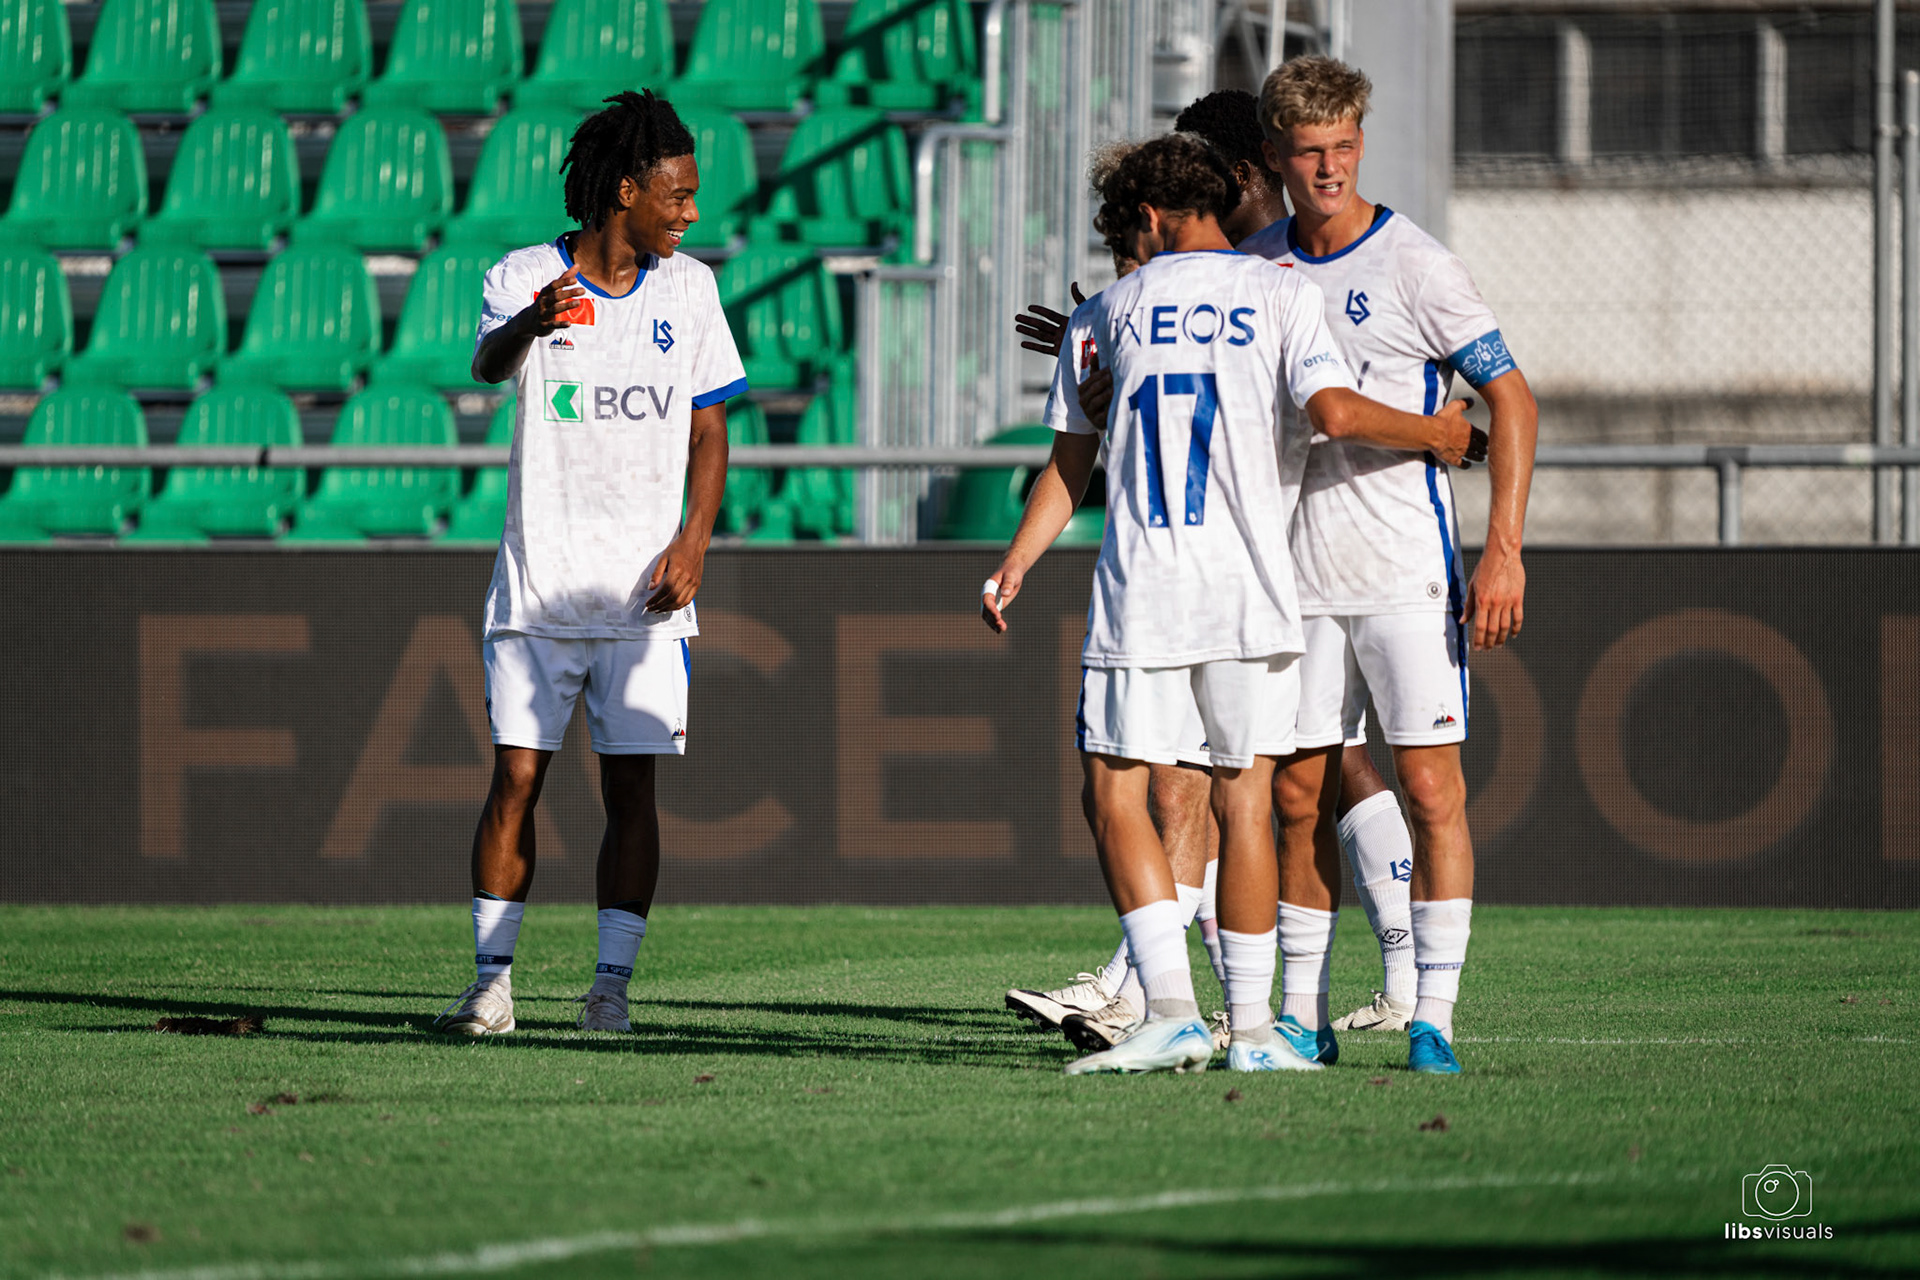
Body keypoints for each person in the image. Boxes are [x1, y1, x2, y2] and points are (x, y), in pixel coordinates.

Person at [984, 133, 1482, 1075]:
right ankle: (1254, 1033)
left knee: (1114, 791)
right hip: (1261, 589)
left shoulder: (1106, 317)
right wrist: (1439, 434)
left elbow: (1066, 467)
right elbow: (1334, 411)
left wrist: (1012, 568)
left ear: (1144, 218)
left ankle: (1170, 1010)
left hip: (1146, 587)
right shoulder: (1288, 292)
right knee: (1247, 800)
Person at [1240, 56, 1540, 1074]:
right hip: (1296, 579)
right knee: (1296, 796)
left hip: (1407, 572)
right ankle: (1302, 1016)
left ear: (1359, 143)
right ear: (1276, 156)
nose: (1327, 168)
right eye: (1306, 151)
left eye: (1341, 148)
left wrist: (1502, 550)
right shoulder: (1257, 265)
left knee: (1432, 788)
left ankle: (1433, 1019)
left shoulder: (1416, 263)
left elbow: (1512, 400)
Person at [432, 90, 749, 1037]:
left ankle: (610, 989)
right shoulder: (525, 274)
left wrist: (694, 541)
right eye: (678, 195)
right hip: (538, 590)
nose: (691, 212)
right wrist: (534, 321)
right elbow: (489, 365)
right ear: (625, 191)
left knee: (633, 791)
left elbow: (710, 427)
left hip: (646, 598)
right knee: (516, 781)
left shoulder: (689, 289)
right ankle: (492, 985)